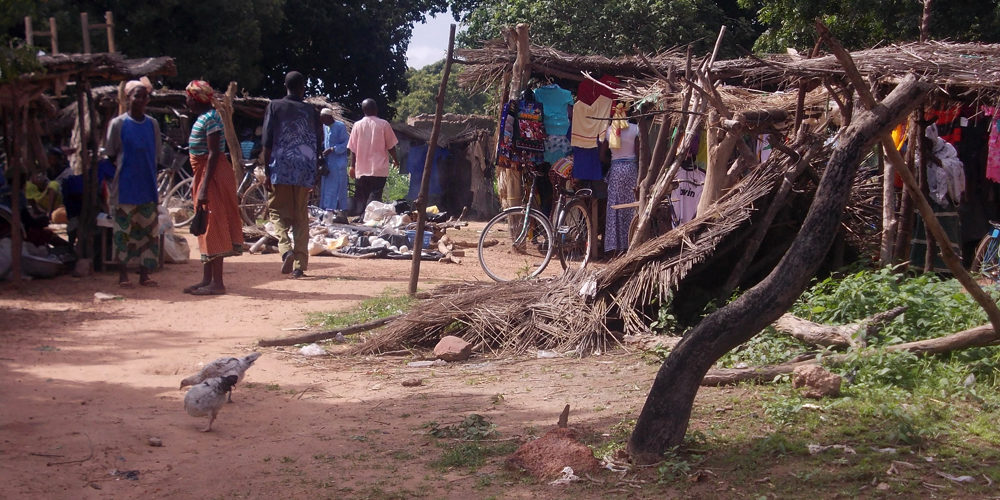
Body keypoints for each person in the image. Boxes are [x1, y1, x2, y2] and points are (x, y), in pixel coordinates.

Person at [182, 80, 245, 295]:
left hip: (212, 176)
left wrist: (204, 186)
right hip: (203, 175)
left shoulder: (212, 118)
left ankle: (217, 283)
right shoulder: (203, 118)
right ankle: (206, 279)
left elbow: (213, 154)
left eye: (188, 96)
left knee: (213, 225)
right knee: (204, 225)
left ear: (196, 98)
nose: (186, 100)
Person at [261, 71, 323, 278]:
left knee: (277, 212)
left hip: (281, 167)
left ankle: (285, 248)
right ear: (302, 87)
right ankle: (299, 266)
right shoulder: (311, 111)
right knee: (300, 218)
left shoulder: (275, 106)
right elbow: (319, 143)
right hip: (304, 169)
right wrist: (314, 172)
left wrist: (267, 171)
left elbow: (267, 141)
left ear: (285, 86)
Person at [105, 78, 161, 287]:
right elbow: (110, 154)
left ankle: (144, 274)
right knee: (123, 233)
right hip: (125, 188)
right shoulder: (118, 124)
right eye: (136, 96)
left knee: (148, 233)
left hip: (147, 187)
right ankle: (123, 275)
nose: (140, 100)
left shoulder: (152, 124)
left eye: (144, 96)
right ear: (128, 98)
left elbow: (156, 154)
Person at [347, 98, 399, 213]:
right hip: (378, 169)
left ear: (363, 110)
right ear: (376, 109)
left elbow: (353, 149)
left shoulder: (357, 125)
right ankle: (368, 218)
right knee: (375, 195)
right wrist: (396, 160)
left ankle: (362, 217)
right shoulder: (384, 124)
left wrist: (352, 166)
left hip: (361, 168)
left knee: (362, 195)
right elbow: (391, 146)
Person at [603, 115, 640, 255]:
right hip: (631, 170)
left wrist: (615, 162)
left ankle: (615, 247)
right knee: (631, 206)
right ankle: (631, 243)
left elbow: (602, 156)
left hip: (616, 171)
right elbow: (639, 152)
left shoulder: (608, 131)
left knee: (615, 207)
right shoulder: (635, 129)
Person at [318, 108, 350, 211]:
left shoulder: (340, 126)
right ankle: (328, 210)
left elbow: (346, 143)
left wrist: (333, 149)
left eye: (324, 119)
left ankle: (341, 211)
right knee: (328, 188)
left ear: (329, 117)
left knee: (339, 188)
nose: (323, 121)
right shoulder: (325, 126)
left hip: (338, 163)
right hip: (329, 163)